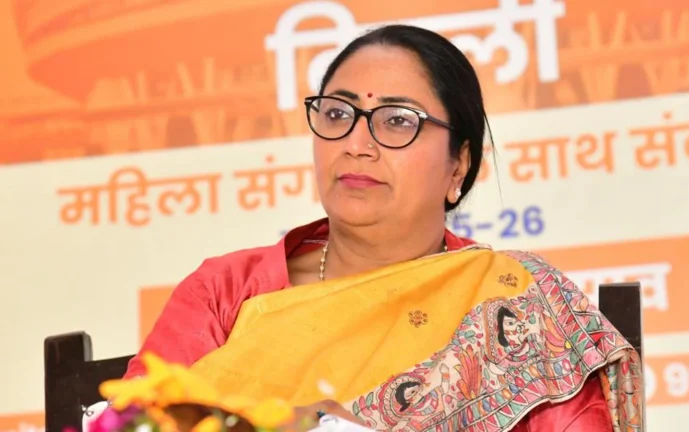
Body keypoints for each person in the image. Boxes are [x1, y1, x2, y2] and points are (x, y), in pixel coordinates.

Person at [125, 24, 643, 432]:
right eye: (337, 113)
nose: (356, 143)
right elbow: (133, 422)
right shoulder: (224, 293)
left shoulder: (517, 303)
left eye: (398, 120)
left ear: (458, 165)